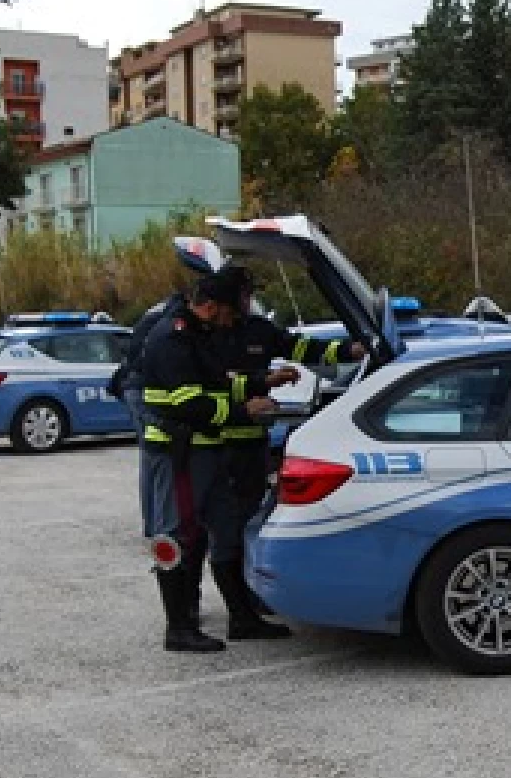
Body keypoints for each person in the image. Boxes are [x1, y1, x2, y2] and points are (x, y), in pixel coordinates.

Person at [207, 265, 367, 639]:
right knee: (228, 528)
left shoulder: (258, 330)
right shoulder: (205, 337)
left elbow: (301, 347)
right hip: (216, 445)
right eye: (244, 295)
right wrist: (265, 381)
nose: (249, 302)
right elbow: (211, 384)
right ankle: (239, 615)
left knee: (253, 520)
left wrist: (348, 349)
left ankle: (251, 601)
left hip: (252, 443)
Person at [136, 270, 280, 653]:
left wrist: (260, 384)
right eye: (233, 311)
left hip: (208, 450)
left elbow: (217, 383)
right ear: (212, 307)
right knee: (178, 534)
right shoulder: (173, 338)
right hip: (179, 452)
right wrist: (245, 410)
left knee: (228, 527)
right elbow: (189, 402)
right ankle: (178, 628)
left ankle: (242, 618)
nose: (236, 320)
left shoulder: (201, 335)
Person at [109, 289, 184, 539]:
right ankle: (165, 531)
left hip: (132, 389)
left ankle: (153, 527)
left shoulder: (155, 313)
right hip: (144, 393)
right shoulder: (171, 320)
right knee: (161, 461)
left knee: (150, 460)